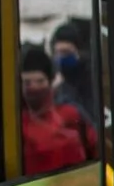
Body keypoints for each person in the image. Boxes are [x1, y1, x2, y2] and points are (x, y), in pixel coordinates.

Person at [17, 44, 97, 175]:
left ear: (50, 82)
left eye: (40, 81)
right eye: (27, 83)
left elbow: (94, 149)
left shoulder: (71, 114)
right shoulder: (14, 124)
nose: (34, 87)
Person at [49, 17, 97, 131]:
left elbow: (90, 118)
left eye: (66, 52)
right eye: (58, 53)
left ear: (78, 52)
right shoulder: (51, 75)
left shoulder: (89, 75)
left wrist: (64, 88)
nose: (61, 57)